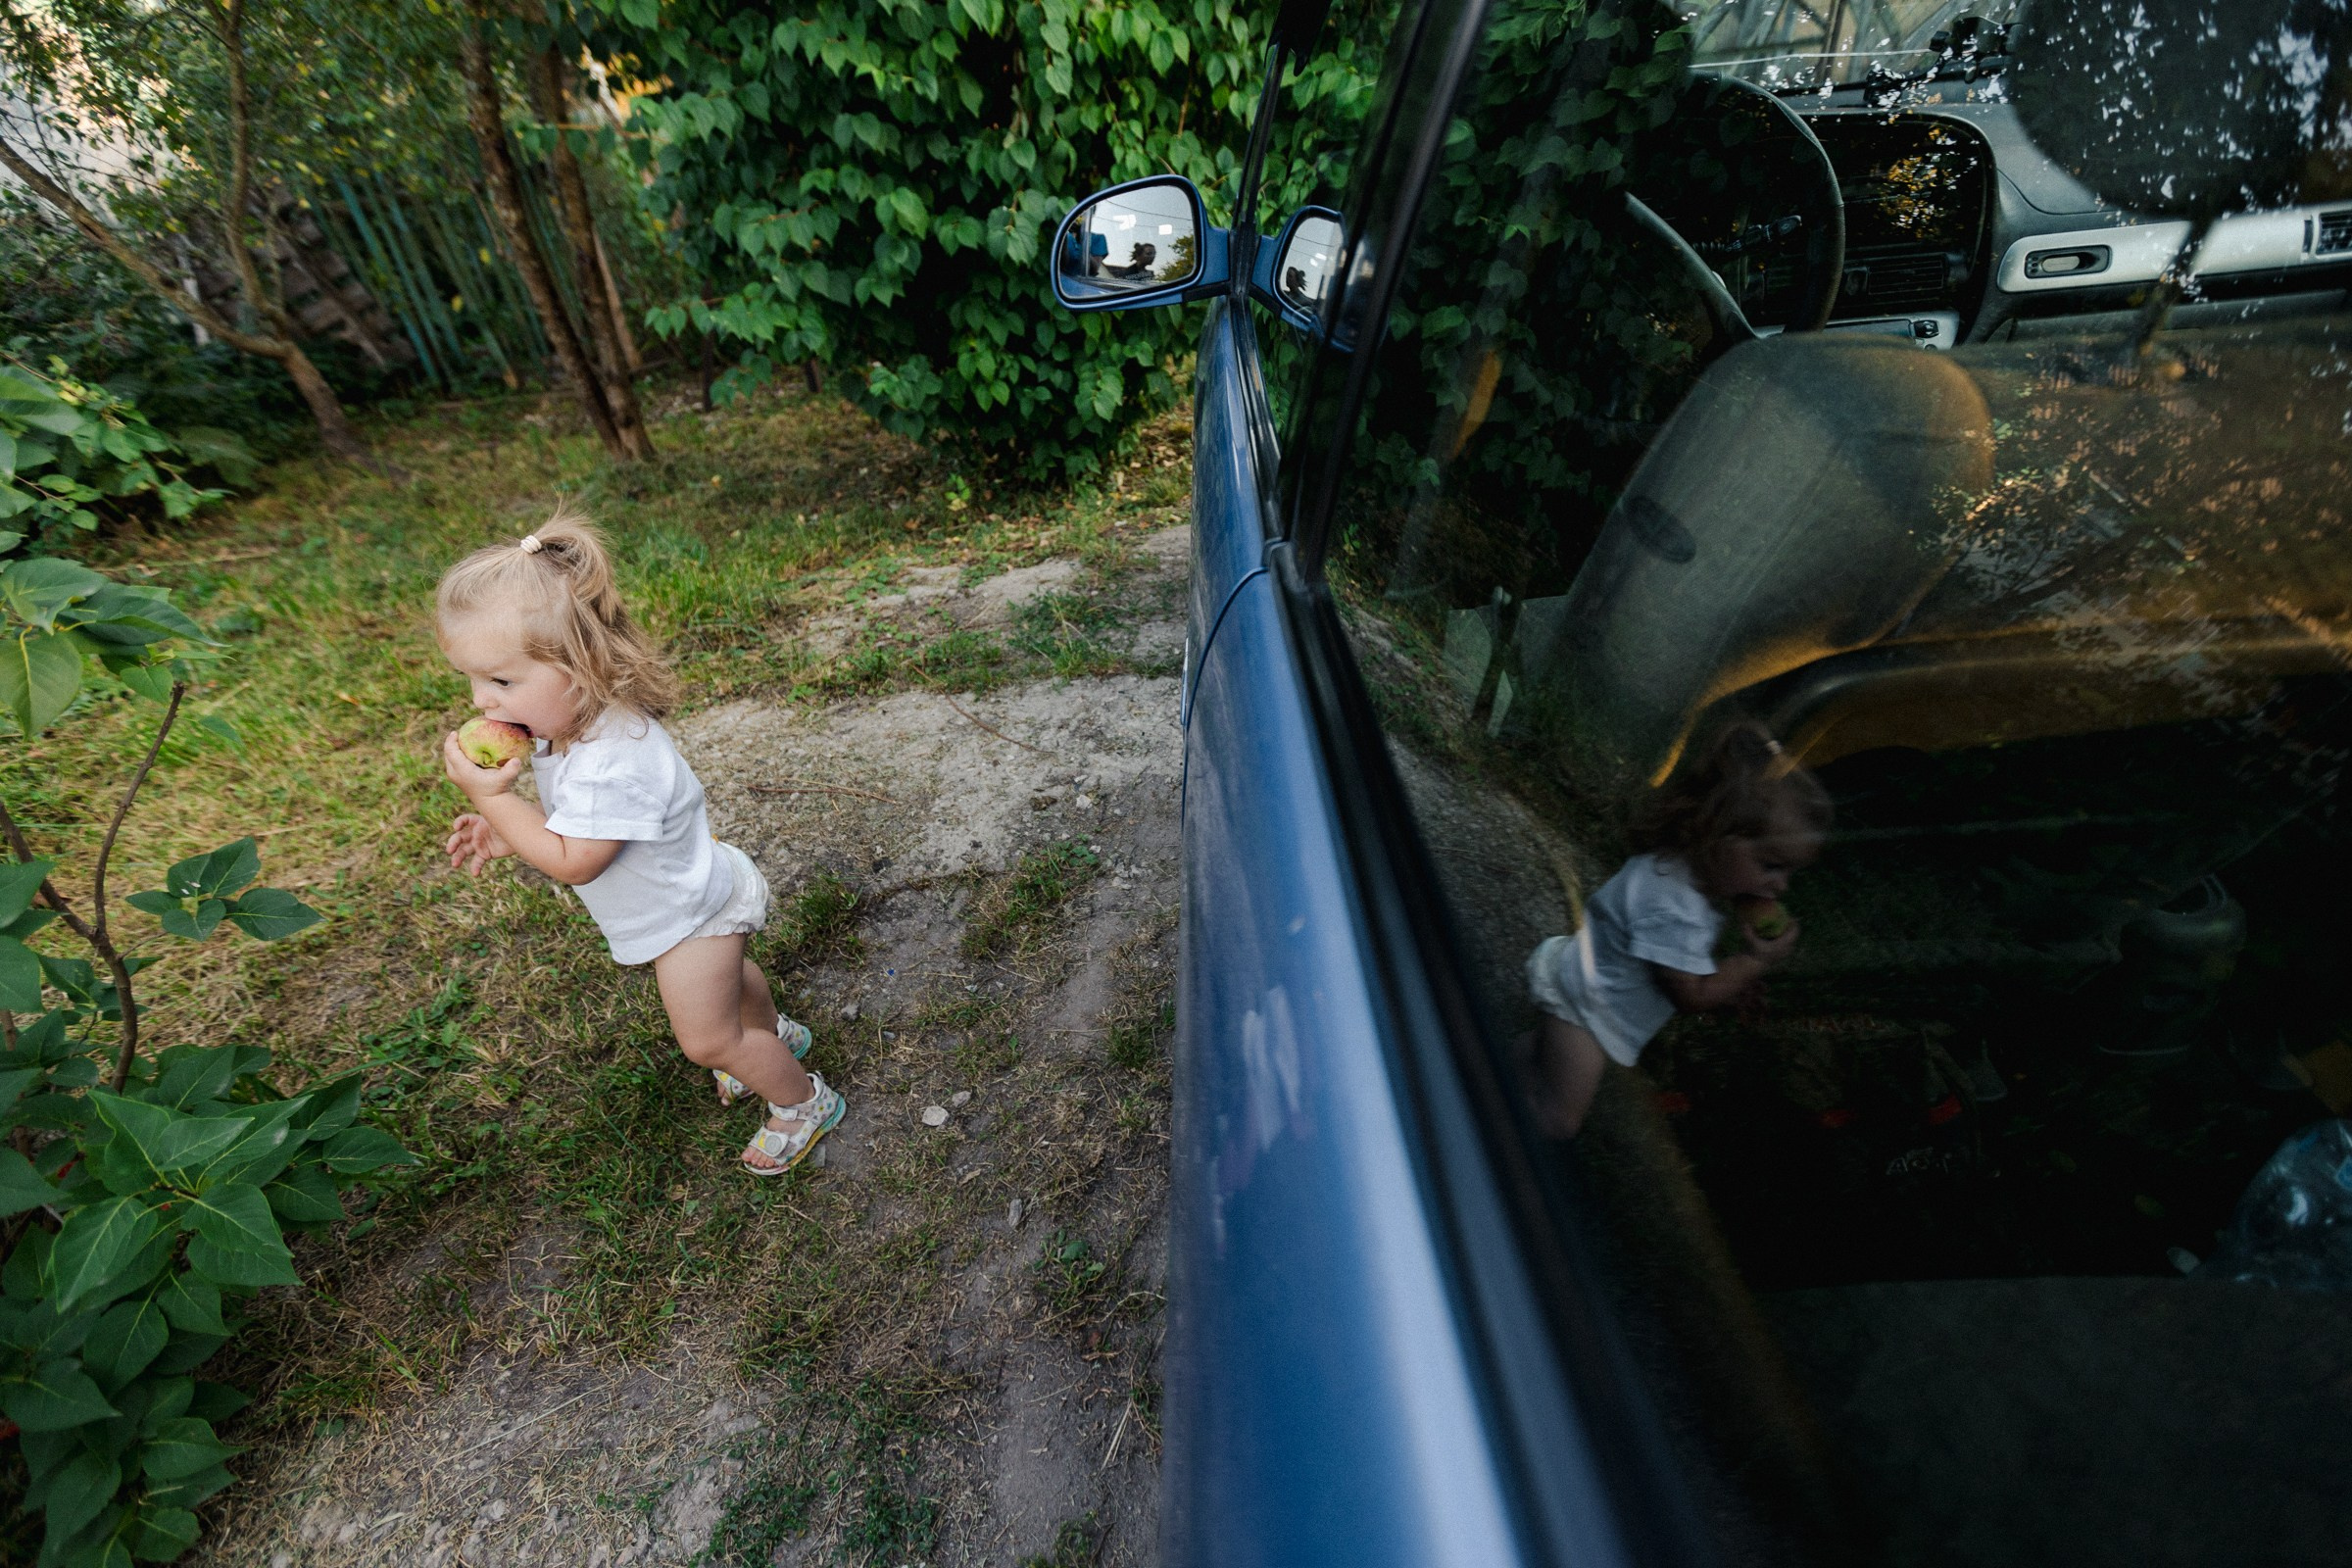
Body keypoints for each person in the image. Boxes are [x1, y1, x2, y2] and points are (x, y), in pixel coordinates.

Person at [434, 512, 845, 1176]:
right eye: (473, 680)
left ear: (580, 668)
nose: (482, 701)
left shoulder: (612, 762)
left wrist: (494, 801)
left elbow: (576, 860)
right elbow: (577, 824)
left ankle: (801, 1102)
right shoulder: (575, 728)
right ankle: (770, 1037)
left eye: (502, 682)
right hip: (690, 890)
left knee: (706, 1040)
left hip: (687, 916)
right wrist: (512, 830)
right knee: (730, 985)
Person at [1525, 722, 1830, 1136]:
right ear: (1717, 834)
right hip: (1584, 1008)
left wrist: (1732, 985)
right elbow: (1691, 994)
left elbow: (1684, 969)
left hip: (1587, 984)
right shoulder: (1674, 908)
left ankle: (1493, 1074)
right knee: (1559, 1119)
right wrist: (1753, 961)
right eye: (1771, 865)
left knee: (1534, 1063)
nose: (1781, 886)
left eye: (1789, 872)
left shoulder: (1681, 876)